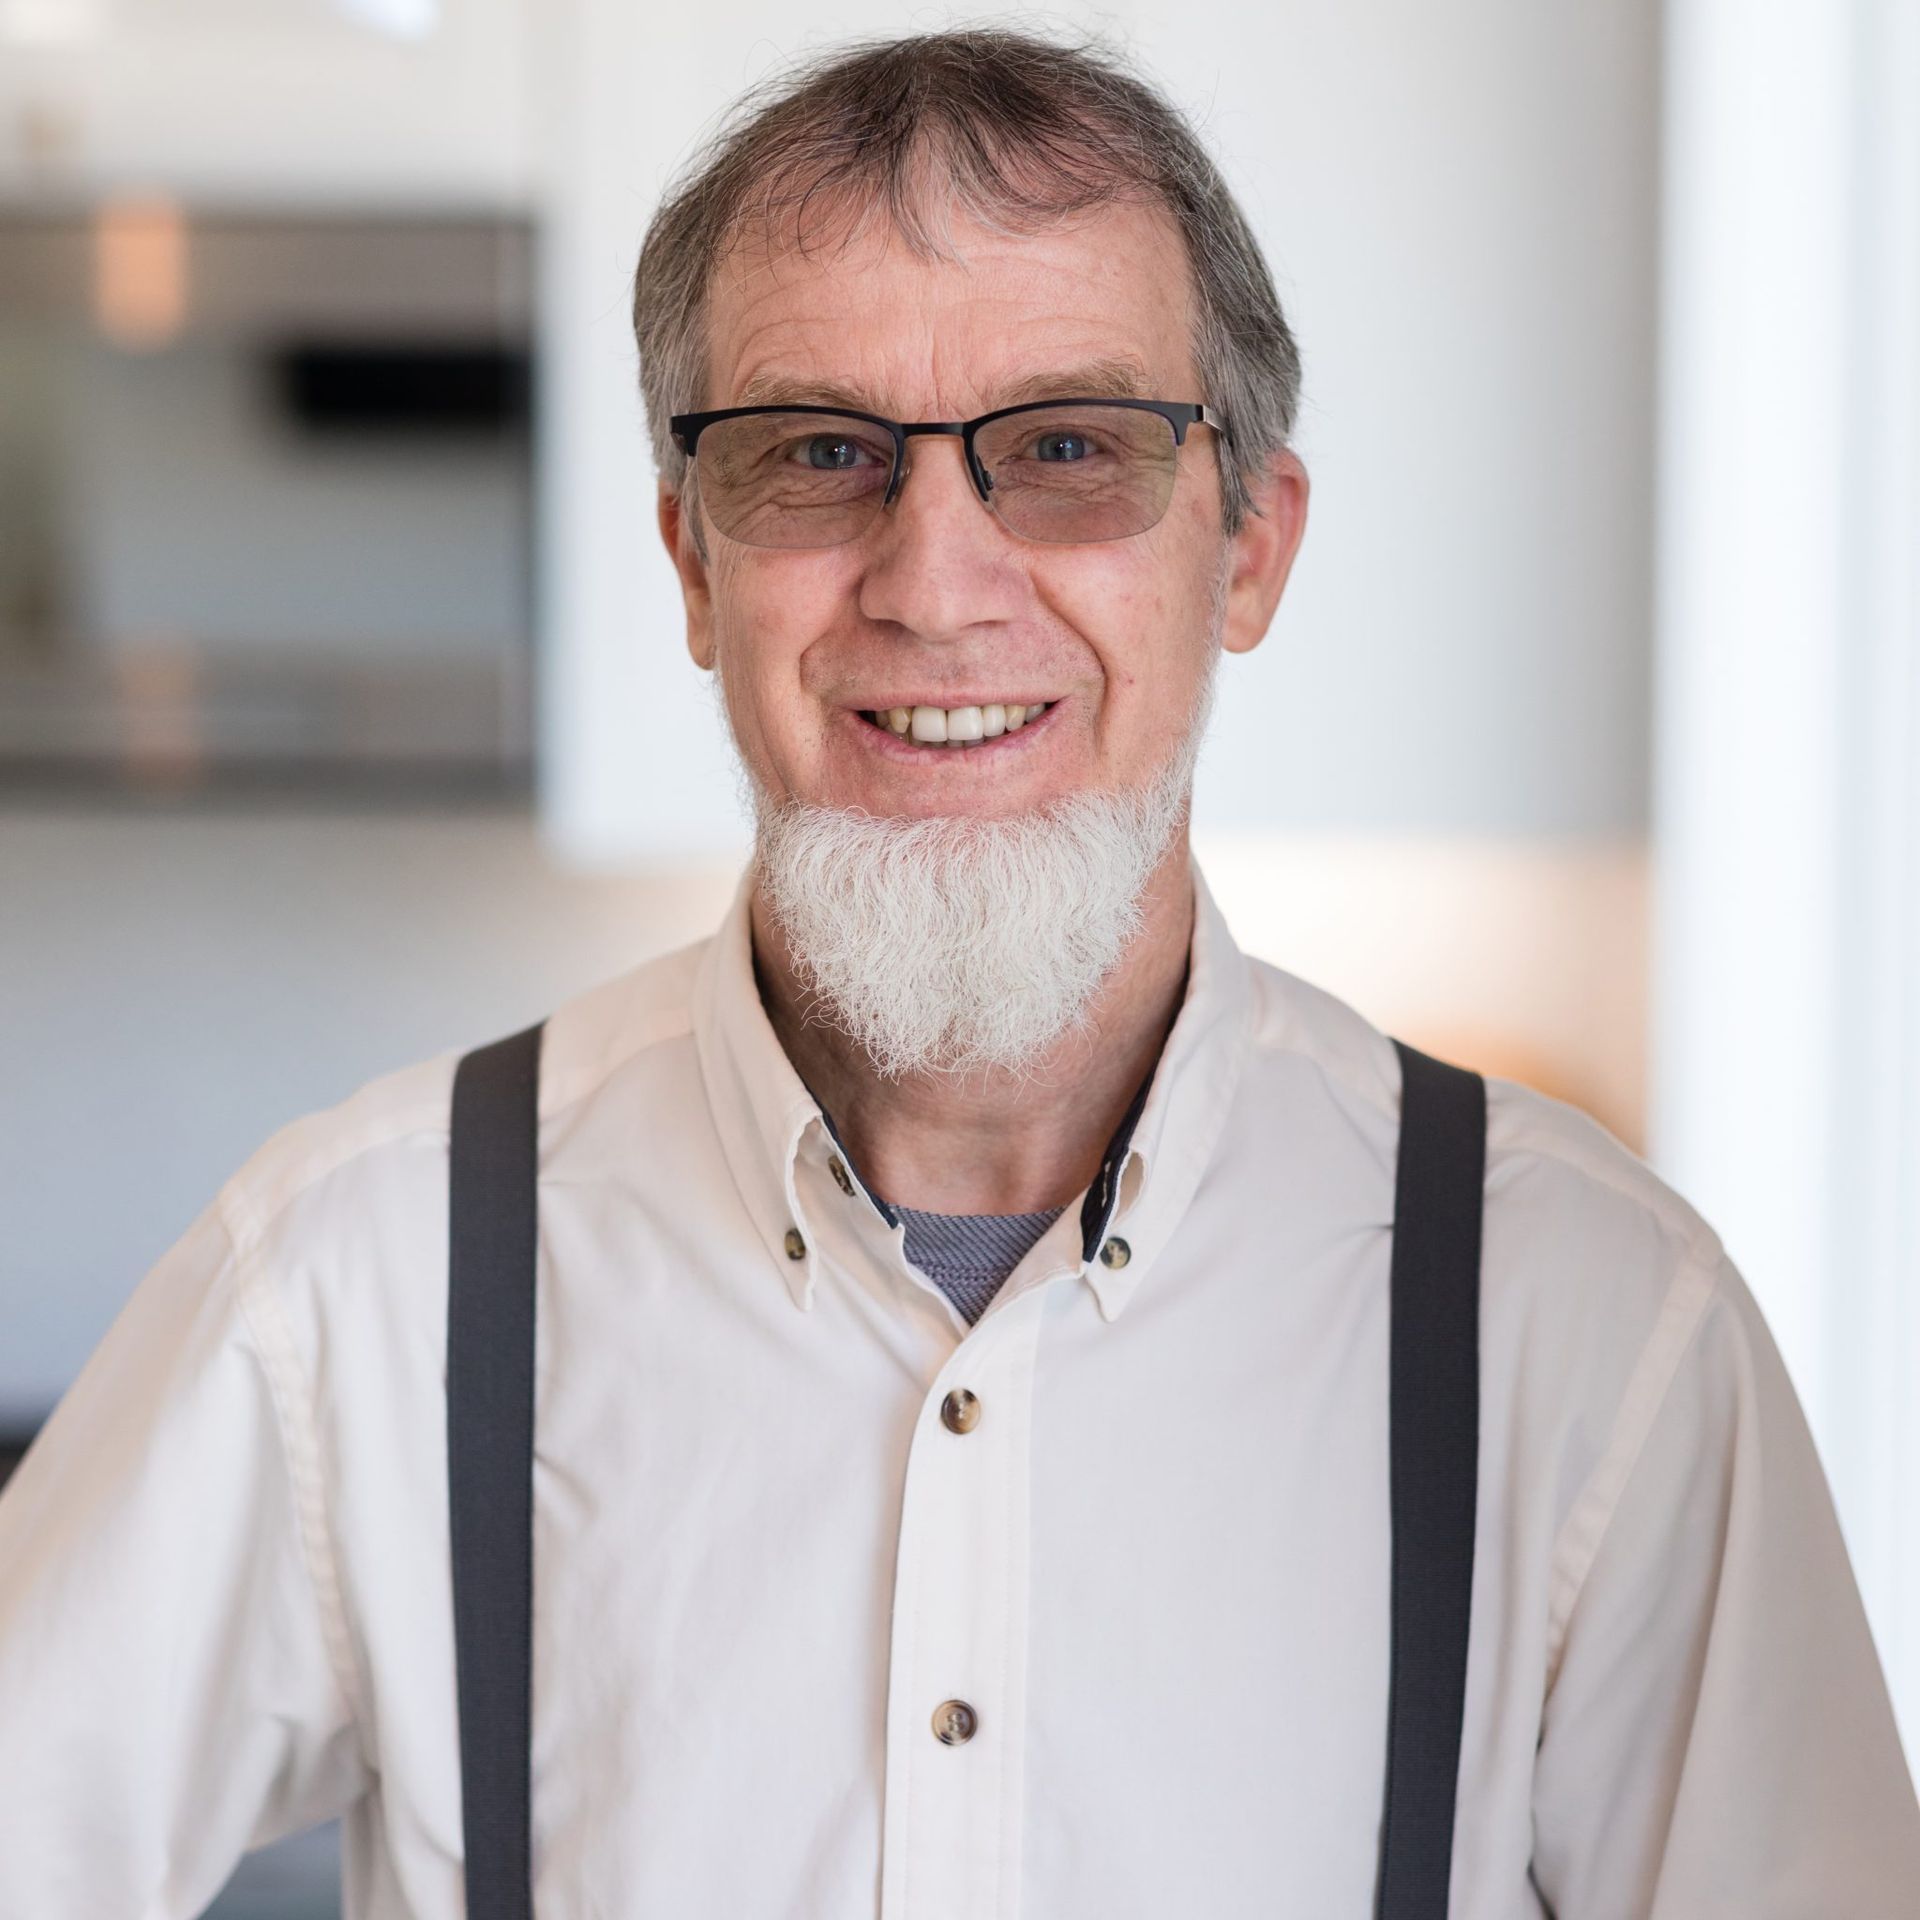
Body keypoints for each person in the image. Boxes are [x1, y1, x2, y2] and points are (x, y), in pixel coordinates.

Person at [2, 25, 1917, 1919]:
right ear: (691, 561)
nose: (934, 578)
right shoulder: (357, 1284)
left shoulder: (1591, 1333)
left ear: (1248, 549)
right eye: (818, 455)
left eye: (1070, 449)